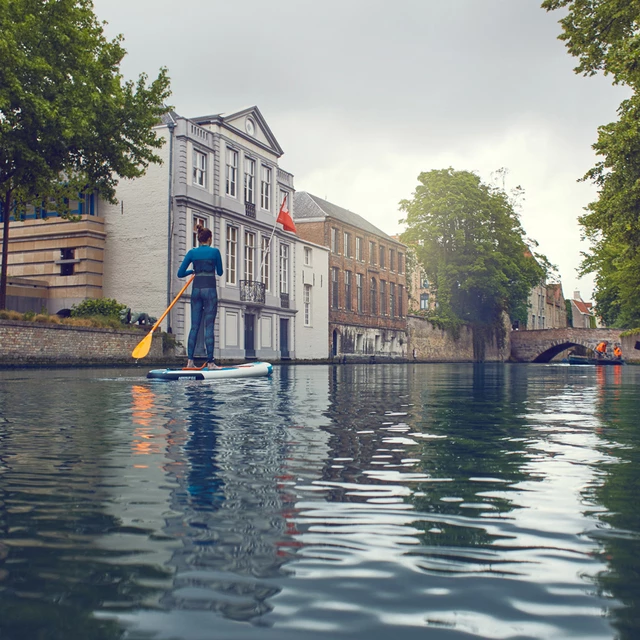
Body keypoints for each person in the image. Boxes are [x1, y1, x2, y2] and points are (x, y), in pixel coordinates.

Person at [177, 226, 224, 370]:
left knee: (194, 326)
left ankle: (190, 361)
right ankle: (210, 362)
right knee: (209, 326)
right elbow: (220, 272)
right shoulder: (215, 252)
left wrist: (194, 270)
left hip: (196, 290)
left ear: (199, 239)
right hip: (210, 290)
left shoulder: (192, 252)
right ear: (209, 239)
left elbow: (180, 273)